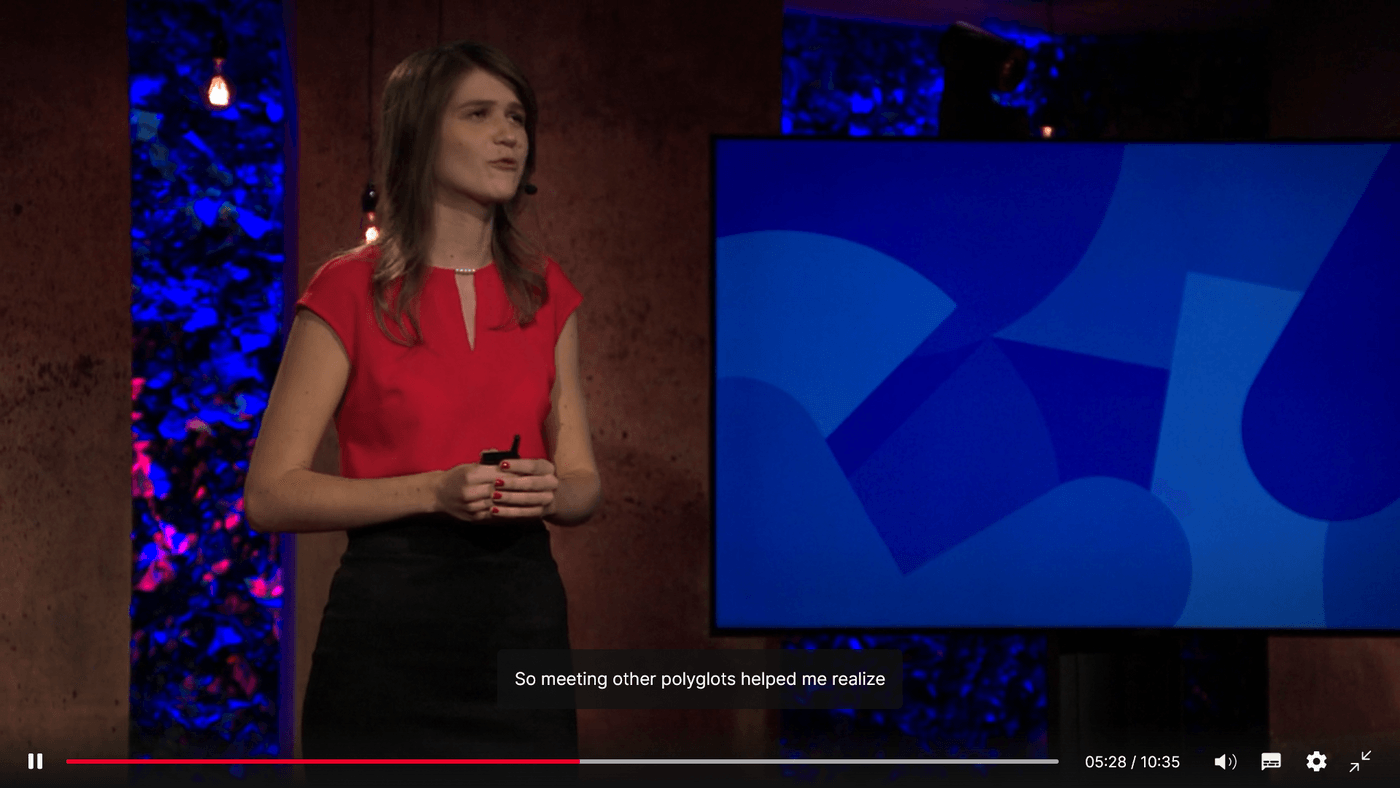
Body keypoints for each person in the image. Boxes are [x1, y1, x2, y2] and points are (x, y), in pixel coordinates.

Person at [243, 40, 600, 782]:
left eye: (517, 117)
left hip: (522, 620)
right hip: (389, 632)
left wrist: (553, 492)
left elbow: (583, 484)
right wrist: (434, 491)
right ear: (418, 133)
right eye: (479, 114)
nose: (509, 134)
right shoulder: (348, 289)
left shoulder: (546, 289)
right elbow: (270, 493)